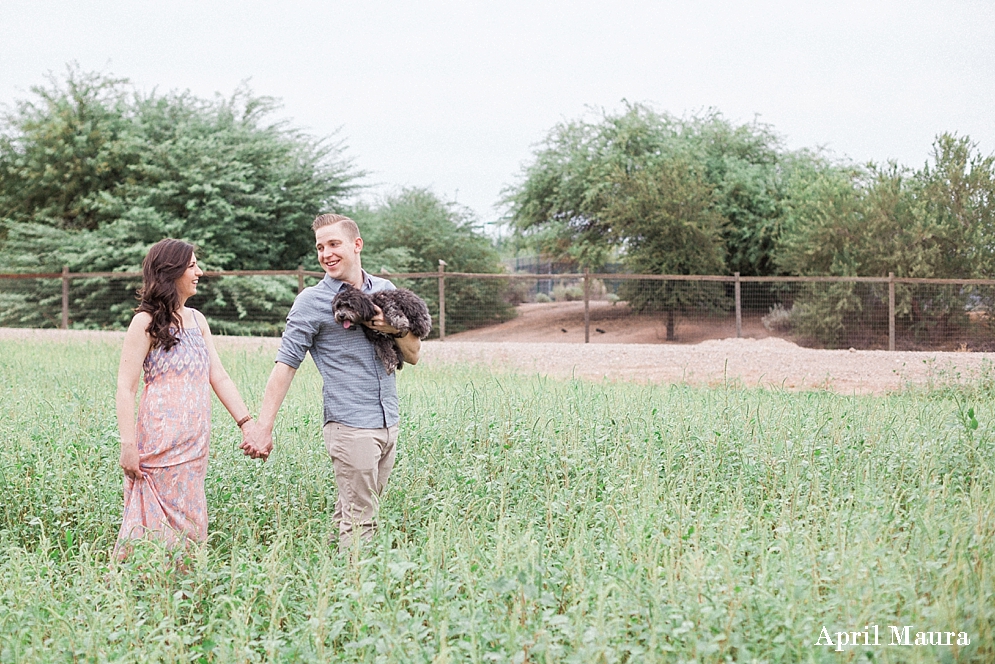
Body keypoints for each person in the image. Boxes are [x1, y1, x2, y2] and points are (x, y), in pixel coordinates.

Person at [240, 213, 421, 550]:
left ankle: (332, 578)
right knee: (362, 516)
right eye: (320, 247)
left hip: (388, 420)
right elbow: (285, 365)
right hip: (350, 425)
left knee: (353, 509)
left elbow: (413, 354)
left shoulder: (386, 290)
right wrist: (263, 426)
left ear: (357, 244)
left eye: (333, 244)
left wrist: (394, 329)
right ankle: (359, 593)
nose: (326, 253)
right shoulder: (312, 302)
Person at [115, 238, 257, 555]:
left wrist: (247, 423)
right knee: (152, 530)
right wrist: (128, 445)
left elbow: (218, 375)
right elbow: (126, 386)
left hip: (194, 445)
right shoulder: (145, 322)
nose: (200, 272)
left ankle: (186, 592)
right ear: (172, 271)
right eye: (192, 266)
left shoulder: (198, 320)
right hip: (157, 445)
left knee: (192, 524)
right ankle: (142, 590)